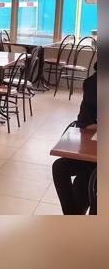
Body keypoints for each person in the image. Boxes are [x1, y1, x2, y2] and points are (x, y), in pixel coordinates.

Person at [52, 62, 97, 215]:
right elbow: (84, 122)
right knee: (60, 167)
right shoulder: (92, 84)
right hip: (93, 154)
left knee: (91, 184)